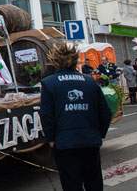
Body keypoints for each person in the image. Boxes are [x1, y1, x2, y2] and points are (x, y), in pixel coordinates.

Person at [40, 42, 112, 191]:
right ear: (75, 61)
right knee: (94, 182)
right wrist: (99, 133)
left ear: (55, 61)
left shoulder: (49, 83)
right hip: (90, 140)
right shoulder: (90, 81)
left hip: (64, 143)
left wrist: (51, 138)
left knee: (72, 184)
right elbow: (105, 112)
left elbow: (47, 116)